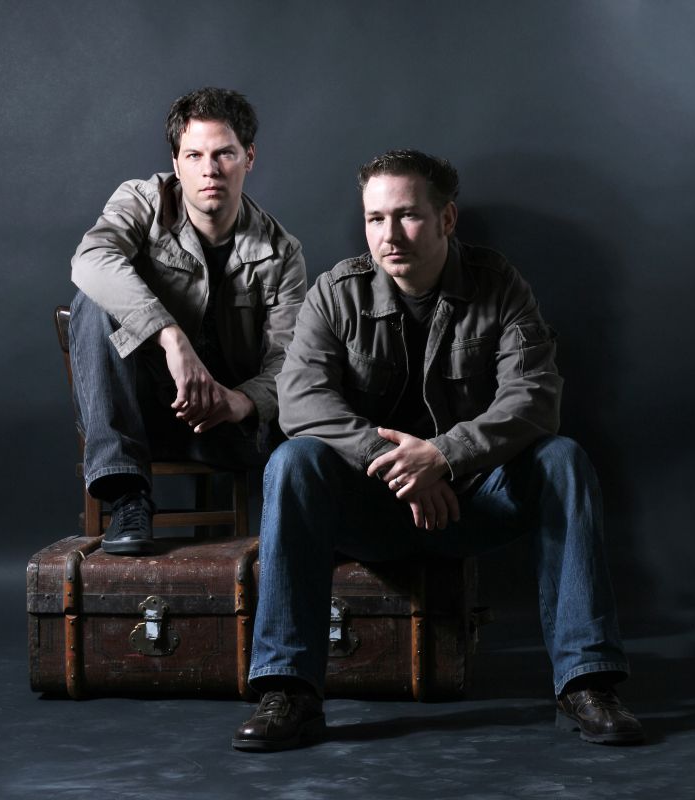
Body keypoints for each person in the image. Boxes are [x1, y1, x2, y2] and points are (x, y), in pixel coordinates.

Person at [232, 149, 644, 751]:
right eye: (375, 219)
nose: (389, 235)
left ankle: (588, 683)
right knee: (292, 461)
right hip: (368, 509)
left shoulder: (498, 284)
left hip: (471, 505)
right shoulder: (334, 293)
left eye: (407, 216)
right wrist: (402, 467)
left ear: (447, 218)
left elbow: (533, 398)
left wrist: (445, 456)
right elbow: (301, 403)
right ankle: (289, 689)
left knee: (562, 459)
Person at [68, 88, 306, 555]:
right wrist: (170, 337)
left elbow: (290, 361)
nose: (209, 170)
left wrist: (241, 402)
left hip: (226, 426)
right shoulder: (142, 201)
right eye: (194, 155)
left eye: (224, 154)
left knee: (317, 389)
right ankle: (126, 495)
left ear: (249, 157)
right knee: (91, 300)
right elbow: (91, 259)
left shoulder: (282, 252)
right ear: (176, 164)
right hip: (134, 412)